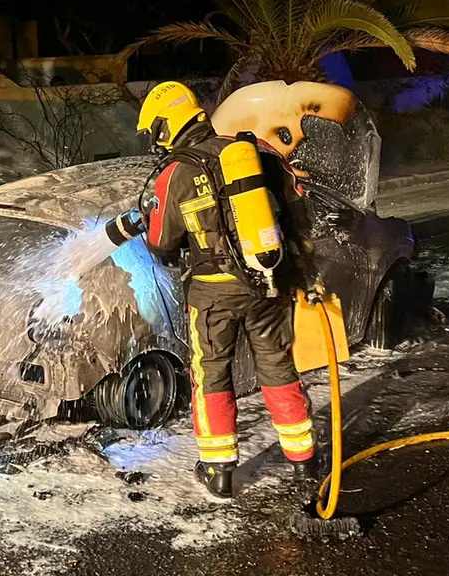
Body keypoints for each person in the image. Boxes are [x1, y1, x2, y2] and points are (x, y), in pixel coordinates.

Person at [134, 80, 317, 500]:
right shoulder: (254, 155)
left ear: (167, 125)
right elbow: (297, 214)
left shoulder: (175, 173)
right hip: (268, 283)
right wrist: (303, 271)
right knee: (277, 364)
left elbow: (161, 243)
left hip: (213, 294)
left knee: (211, 373)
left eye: (156, 131)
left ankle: (218, 469)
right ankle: (304, 459)